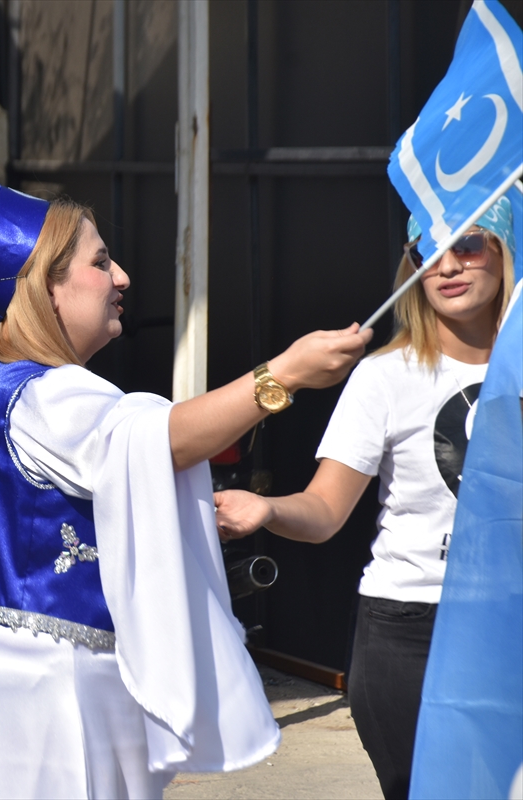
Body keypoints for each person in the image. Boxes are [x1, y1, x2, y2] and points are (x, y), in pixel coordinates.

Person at [0, 187, 374, 798]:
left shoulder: (9, 383)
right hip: (46, 686)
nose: (122, 277)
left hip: (33, 674)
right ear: (46, 289)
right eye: (100, 262)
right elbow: (160, 441)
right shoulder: (43, 394)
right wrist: (283, 376)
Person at [213, 197, 516, 800]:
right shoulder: (386, 375)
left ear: (506, 251)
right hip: (410, 629)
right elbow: (325, 510)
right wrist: (269, 509)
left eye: (468, 243)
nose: (447, 265)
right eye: (427, 250)